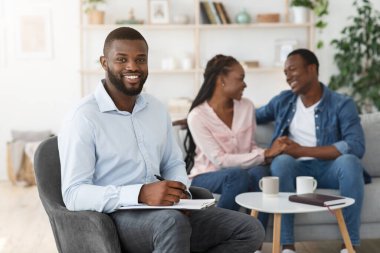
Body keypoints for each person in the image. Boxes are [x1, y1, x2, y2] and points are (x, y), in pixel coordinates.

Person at [58, 27, 265, 253]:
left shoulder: (156, 109)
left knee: (249, 229)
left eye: (140, 59)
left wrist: (180, 192)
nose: (133, 67)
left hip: (165, 212)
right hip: (115, 218)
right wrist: (140, 193)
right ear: (104, 62)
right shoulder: (84, 117)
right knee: (171, 223)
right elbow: (74, 194)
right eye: (121, 59)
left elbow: (173, 163)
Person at [256, 48, 369, 253]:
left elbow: (355, 145)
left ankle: (349, 245)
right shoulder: (283, 100)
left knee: (350, 161)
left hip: (330, 170)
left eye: (292, 69)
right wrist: (201, 112)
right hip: (295, 169)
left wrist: (301, 150)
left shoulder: (342, 104)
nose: (288, 76)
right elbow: (249, 116)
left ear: (312, 69)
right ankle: (287, 245)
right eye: (285, 72)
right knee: (281, 162)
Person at [184, 54, 285, 211]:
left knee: (261, 174)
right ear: (221, 80)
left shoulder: (247, 107)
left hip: (241, 173)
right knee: (237, 175)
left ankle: (257, 234)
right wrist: (265, 154)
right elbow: (220, 160)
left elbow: (250, 146)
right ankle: (223, 232)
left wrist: (270, 153)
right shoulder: (198, 116)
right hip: (206, 176)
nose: (245, 85)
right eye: (240, 78)